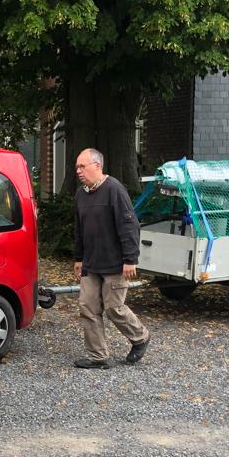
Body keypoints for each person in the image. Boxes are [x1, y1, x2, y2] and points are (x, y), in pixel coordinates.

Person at [72, 148, 150, 368]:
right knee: (88, 308)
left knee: (114, 308)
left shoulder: (114, 189)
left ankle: (140, 337)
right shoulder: (80, 194)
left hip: (115, 264)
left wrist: (130, 259)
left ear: (97, 166)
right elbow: (79, 229)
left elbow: (129, 226)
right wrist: (79, 258)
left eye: (82, 166)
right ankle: (98, 357)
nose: (78, 171)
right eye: (77, 167)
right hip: (90, 264)